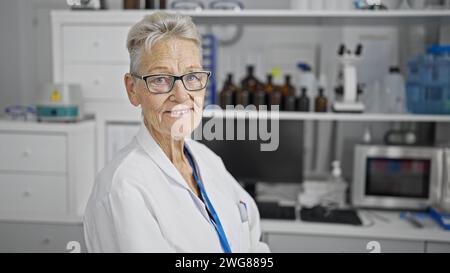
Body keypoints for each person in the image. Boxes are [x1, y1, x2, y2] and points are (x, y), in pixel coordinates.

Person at [83, 11, 270, 253]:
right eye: (161, 79)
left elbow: (253, 240)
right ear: (132, 90)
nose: (182, 95)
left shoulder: (207, 160)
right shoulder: (123, 189)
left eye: (192, 76)